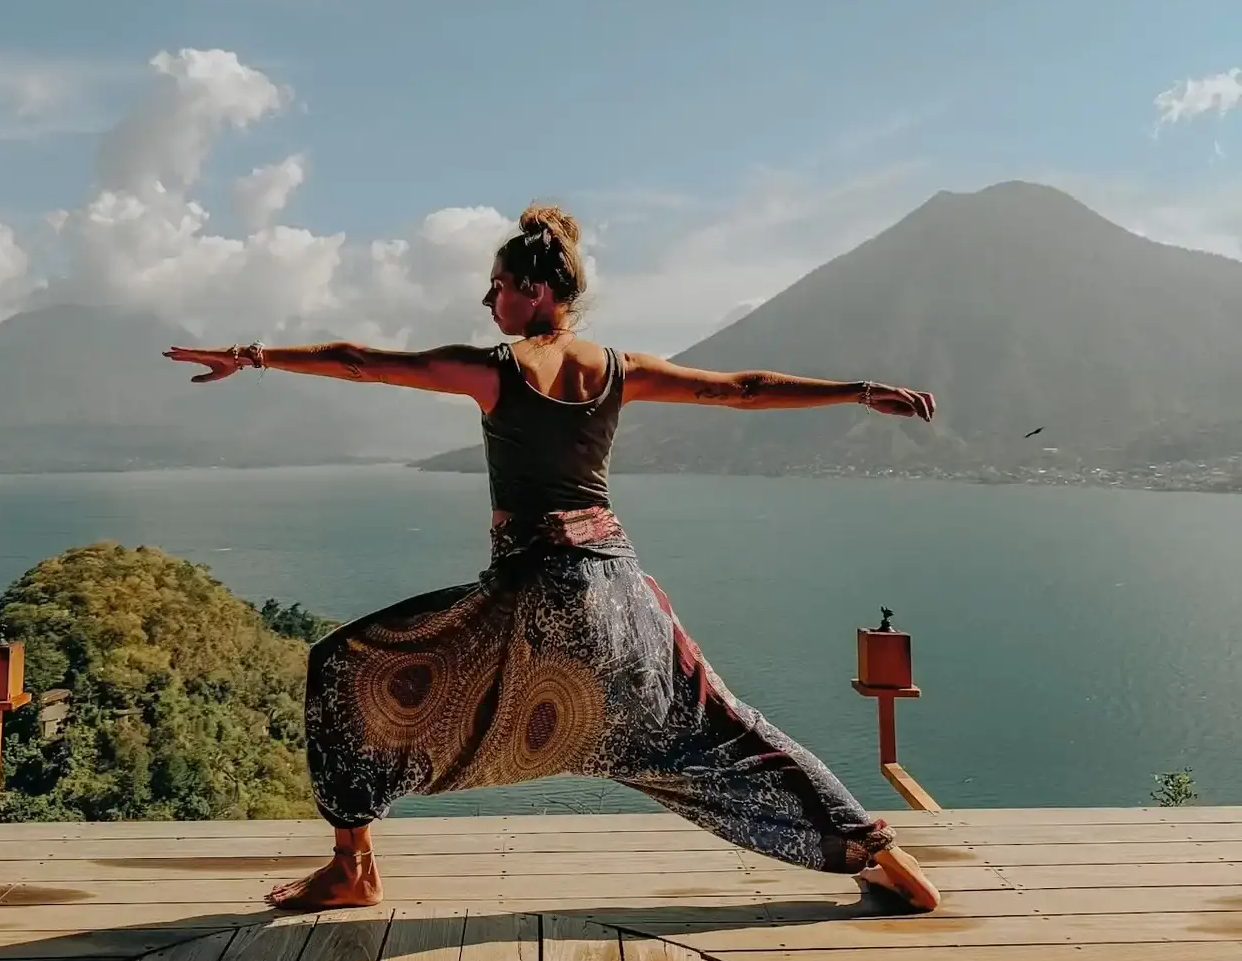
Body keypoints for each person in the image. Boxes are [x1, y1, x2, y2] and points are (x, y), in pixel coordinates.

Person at [164, 203, 942, 913]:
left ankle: (351, 866)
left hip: (535, 589)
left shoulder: (496, 371)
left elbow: (361, 360)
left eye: (498, 286)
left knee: (345, 666)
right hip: (619, 587)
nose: (488, 301)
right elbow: (742, 387)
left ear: (536, 290)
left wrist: (252, 355)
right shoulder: (621, 371)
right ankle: (873, 849)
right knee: (720, 726)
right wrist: (856, 390)